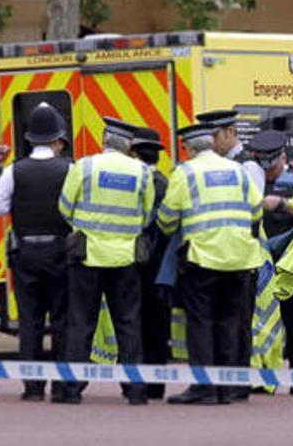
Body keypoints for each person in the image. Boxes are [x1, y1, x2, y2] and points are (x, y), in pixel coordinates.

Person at [158, 123, 266, 405]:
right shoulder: (238, 171)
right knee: (230, 322)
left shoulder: (186, 172)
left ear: (189, 148)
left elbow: (167, 219)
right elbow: (257, 210)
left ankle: (205, 387)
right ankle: (229, 387)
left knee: (201, 323)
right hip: (240, 258)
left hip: (203, 259)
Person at [57, 117, 155, 405]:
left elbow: (64, 206)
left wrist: (84, 226)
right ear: (128, 145)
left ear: (104, 140)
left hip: (86, 255)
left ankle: (73, 388)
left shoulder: (84, 166)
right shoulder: (141, 172)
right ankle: (135, 389)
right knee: (128, 323)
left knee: (81, 322)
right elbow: (147, 215)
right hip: (126, 259)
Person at [0, 102, 71, 402]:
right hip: (61, 253)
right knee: (62, 321)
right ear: (58, 139)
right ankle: (62, 387)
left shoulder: (14, 171)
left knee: (30, 322)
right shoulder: (69, 169)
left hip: (26, 257)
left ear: (31, 138)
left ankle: (33, 388)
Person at [195, 109, 263, 401]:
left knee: (237, 323)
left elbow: (254, 214)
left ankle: (237, 384)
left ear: (229, 133)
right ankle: (224, 383)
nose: (210, 142)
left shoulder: (247, 166)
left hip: (241, 256)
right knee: (223, 322)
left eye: (214, 135)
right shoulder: (221, 165)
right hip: (219, 255)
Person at [248, 130, 293, 395]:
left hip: (290, 266)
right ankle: (263, 378)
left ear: (282, 157)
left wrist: (283, 204)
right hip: (260, 265)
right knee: (260, 325)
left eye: (272, 166)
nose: (268, 173)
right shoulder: (253, 179)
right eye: (263, 166)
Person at [129, 126, 170, 400]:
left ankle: (137, 383)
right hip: (160, 266)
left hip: (134, 263)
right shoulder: (165, 183)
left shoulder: (134, 183)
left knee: (135, 324)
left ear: (133, 153)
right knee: (158, 327)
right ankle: (157, 385)